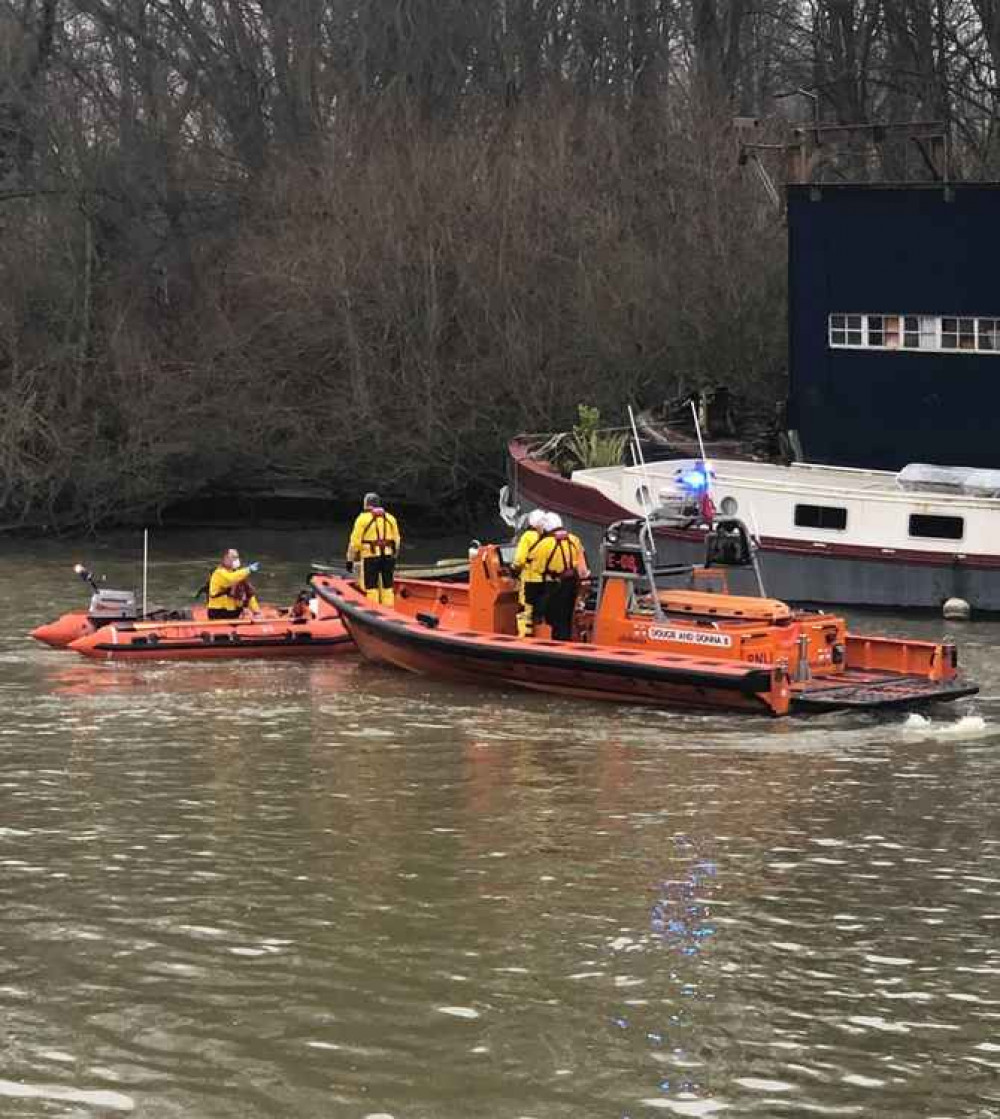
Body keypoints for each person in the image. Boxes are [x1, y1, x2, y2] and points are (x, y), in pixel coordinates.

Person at [525, 513, 587, 641]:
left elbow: (534, 571)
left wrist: (530, 599)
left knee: (553, 619)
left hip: (552, 587)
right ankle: (566, 640)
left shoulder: (544, 544)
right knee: (566, 617)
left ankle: (550, 640)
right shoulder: (574, 539)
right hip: (572, 585)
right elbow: (582, 567)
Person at [347, 492, 401, 605]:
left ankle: (374, 610)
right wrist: (394, 555)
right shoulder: (391, 518)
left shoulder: (362, 519)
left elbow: (354, 543)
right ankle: (388, 610)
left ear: (366, 504)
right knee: (388, 586)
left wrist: (350, 560)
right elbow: (397, 540)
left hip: (370, 557)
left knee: (371, 587)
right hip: (388, 556)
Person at [510, 508, 547, 637]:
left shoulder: (527, 537)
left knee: (526, 610)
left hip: (530, 578)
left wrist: (513, 568)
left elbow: (519, 560)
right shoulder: (548, 538)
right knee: (540, 610)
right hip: (546, 580)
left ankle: (525, 637)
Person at [207, 549, 261, 619]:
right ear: (226, 558)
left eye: (237, 557)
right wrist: (248, 570)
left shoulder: (239, 574)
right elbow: (230, 579)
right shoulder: (219, 573)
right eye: (234, 557)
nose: (236, 560)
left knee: (248, 589)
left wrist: (256, 611)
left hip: (234, 612)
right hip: (219, 612)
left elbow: (249, 594)